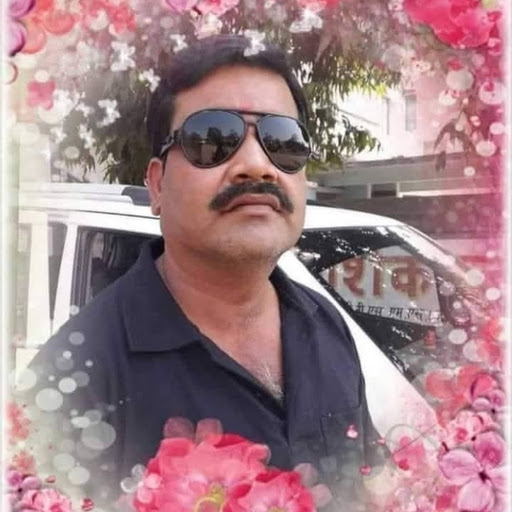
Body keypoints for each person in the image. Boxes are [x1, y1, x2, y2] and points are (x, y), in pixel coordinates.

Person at [15, 35, 384, 509]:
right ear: (157, 185)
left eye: (284, 142)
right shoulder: (70, 383)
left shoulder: (325, 325)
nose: (257, 166)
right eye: (213, 138)